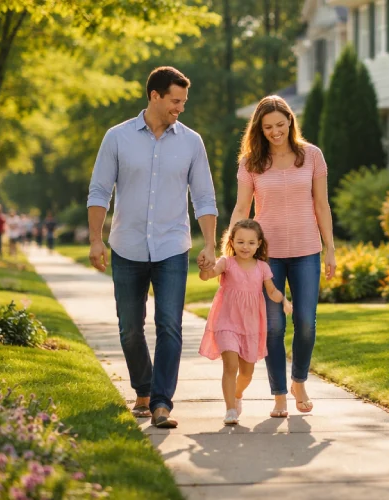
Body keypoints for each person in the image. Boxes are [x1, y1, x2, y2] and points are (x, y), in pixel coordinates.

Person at [87, 66, 218, 428]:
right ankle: (143, 388)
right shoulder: (117, 137)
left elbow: (204, 198)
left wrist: (210, 244)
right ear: (155, 96)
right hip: (126, 246)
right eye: (176, 101)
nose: (181, 108)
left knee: (170, 326)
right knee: (130, 327)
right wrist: (96, 238)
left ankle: (162, 403)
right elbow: (99, 191)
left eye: (184, 102)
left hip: (172, 247)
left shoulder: (192, 142)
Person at [230, 95, 336, 419]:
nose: (275, 131)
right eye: (267, 127)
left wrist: (329, 248)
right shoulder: (251, 163)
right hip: (268, 257)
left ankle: (299, 381)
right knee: (274, 327)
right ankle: (278, 395)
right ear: (259, 130)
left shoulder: (312, 156)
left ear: (290, 121)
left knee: (305, 323)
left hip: (306, 251)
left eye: (279, 124)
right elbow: (241, 208)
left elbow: (322, 205)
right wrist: (231, 250)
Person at [198, 219, 293, 425]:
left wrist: (284, 300)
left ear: (259, 244)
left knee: (247, 373)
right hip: (226, 322)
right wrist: (205, 267)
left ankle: (237, 395)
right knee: (230, 366)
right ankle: (230, 409)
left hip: (250, 326)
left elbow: (272, 291)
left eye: (251, 242)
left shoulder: (262, 267)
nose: (245, 247)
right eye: (240, 242)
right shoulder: (226, 262)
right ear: (232, 242)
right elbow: (207, 275)